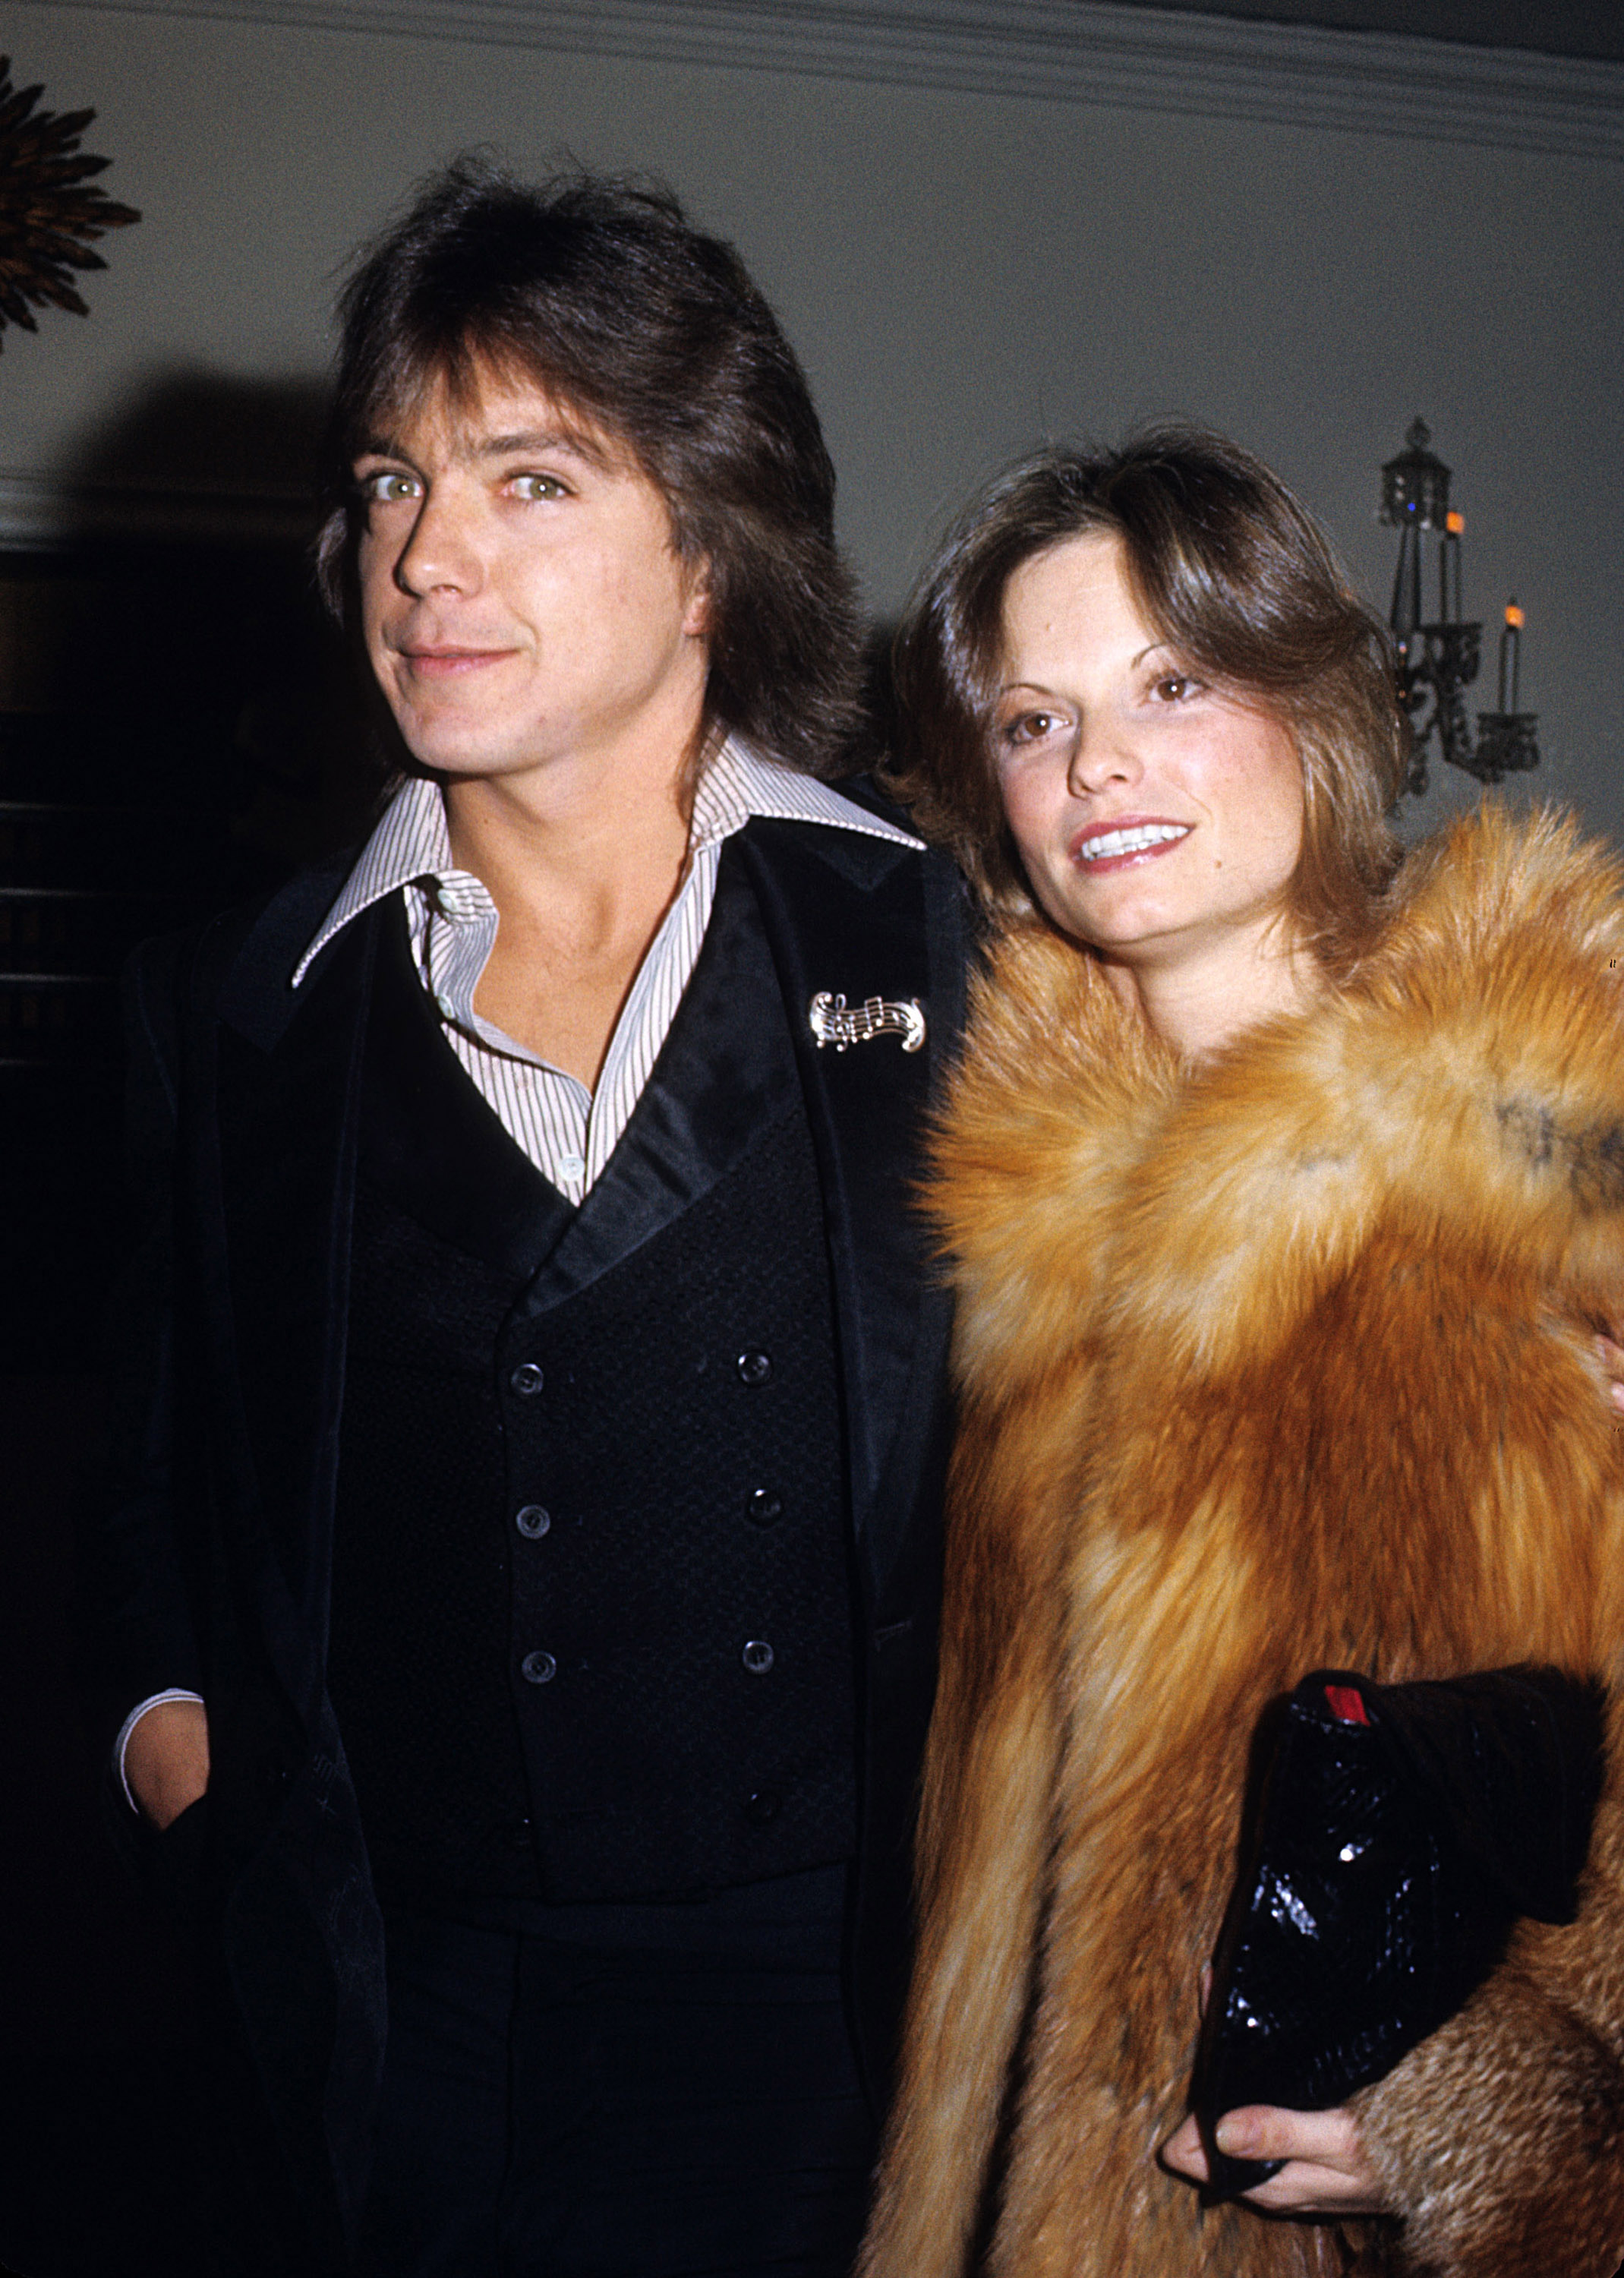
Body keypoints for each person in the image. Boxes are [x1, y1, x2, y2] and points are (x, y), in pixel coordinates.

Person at [88, 160, 969, 2276]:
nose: (426, 555)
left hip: (848, 2027)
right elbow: (140, 1492)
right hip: (390, 2022)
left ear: (705, 553)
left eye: (530, 479)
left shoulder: (958, 953)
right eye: (391, 483)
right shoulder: (231, 1004)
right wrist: (196, 1805)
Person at [856, 428, 1624, 2278]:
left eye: (1171, 684)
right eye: (1031, 721)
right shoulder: (997, 1209)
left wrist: (1505, 2109)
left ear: (1312, 706)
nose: (1095, 762)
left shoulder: (1544, 1134)